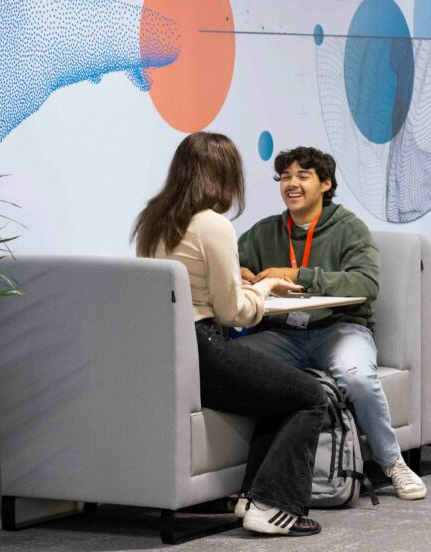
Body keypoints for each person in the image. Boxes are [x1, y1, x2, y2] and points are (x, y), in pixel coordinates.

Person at [132, 132, 325, 537]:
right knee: (311, 396)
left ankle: (253, 498)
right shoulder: (211, 224)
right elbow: (233, 312)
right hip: (206, 348)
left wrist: (235, 284)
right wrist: (264, 289)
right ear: (224, 175)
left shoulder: (154, 219)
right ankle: (274, 506)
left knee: (279, 397)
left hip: (166, 350)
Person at [237, 146, 427, 501]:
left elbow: (366, 283)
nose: (291, 184)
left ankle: (393, 463)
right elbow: (231, 260)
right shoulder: (264, 232)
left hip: (339, 329)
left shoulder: (349, 229)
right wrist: (239, 273)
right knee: (229, 362)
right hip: (282, 333)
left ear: (325, 184)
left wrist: (300, 275)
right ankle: (250, 476)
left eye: (302, 176)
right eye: (285, 177)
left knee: (357, 378)